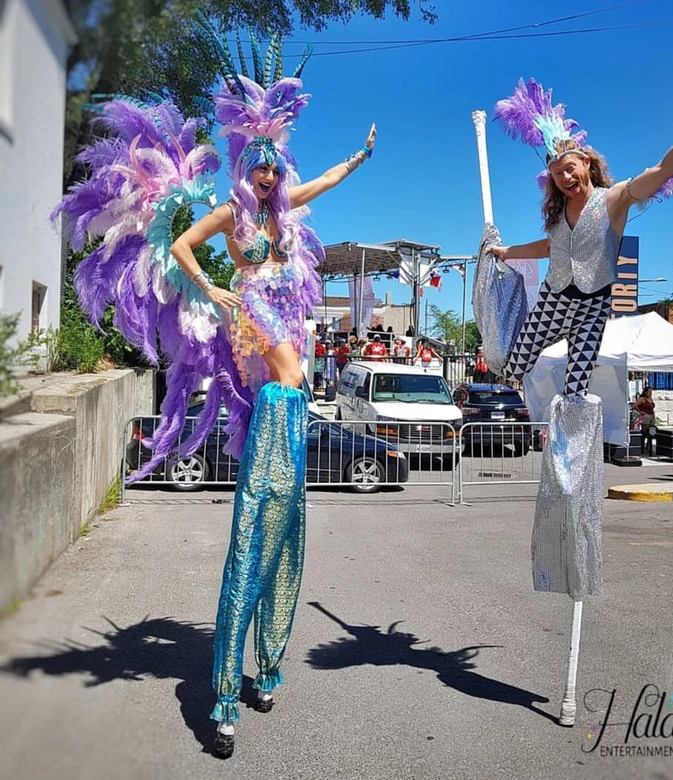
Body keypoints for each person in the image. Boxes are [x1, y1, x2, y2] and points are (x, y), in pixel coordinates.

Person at [55, 25, 376, 759]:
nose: (267, 179)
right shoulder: (234, 217)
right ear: (244, 166)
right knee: (251, 538)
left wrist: (357, 159)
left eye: (274, 169)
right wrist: (218, 292)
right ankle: (224, 699)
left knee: (286, 534)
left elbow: (318, 185)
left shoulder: (283, 213)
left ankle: (265, 670)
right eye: (259, 168)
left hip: (287, 395)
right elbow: (178, 244)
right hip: (254, 326)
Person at [487, 76, 673, 396]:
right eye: (557, 173)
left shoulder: (614, 199)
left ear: (585, 163)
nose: (565, 177)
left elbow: (662, 170)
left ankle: (571, 443)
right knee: (513, 366)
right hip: (554, 299)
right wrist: (507, 251)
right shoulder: (558, 212)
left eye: (569, 168)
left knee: (575, 391)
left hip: (594, 306)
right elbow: (549, 247)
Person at [634, 386, 657, 457]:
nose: (650, 393)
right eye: (649, 392)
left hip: (652, 415)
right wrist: (640, 412)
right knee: (645, 431)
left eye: (651, 392)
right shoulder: (642, 399)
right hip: (646, 416)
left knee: (652, 431)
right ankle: (642, 446)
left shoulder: (650, 399)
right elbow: (635, 405)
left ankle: (648, 446)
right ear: (645, 392)